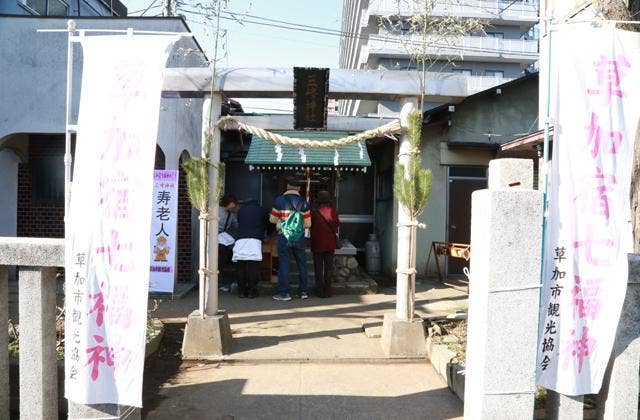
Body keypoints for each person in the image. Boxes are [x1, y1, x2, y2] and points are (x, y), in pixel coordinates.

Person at [269, 181, 311, 301]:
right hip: (299, 237)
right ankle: (303, 292)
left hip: (284, 236)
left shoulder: (280, 200)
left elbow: (272, 219)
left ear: (287, 187)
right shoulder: (304, 202)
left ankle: (284, 293)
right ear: (298, 188)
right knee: (302, 264)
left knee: (284, 264)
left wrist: (281, 223)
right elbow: (308, 223)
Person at [233, 198, 269, 298]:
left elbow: (239, 222)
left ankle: (241, 291)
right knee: (253, 267)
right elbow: (267, 224)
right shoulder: (262, 210)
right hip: (255, 240)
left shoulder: (241, 210)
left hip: (241, 240)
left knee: (241, 267)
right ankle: (252, 291)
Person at [310, 190, 340, 298]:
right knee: (329, 268)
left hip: (317, 243)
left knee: (318, 268)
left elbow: (309, 225)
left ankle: (319, 291)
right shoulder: (333, 211)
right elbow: (336, 224)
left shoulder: (314, 212)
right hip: (330, 243)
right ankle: (328, 291)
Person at [218, 193, 238, 292]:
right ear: (228, 203)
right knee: (219, 261)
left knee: (222, 261)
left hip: (223, 239)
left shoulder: (231, 215)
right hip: (215, 238)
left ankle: (221, 282)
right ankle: (219, 283)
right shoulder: (215, 210)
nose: (234, 206)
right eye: (233, 203)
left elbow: (236, 225)